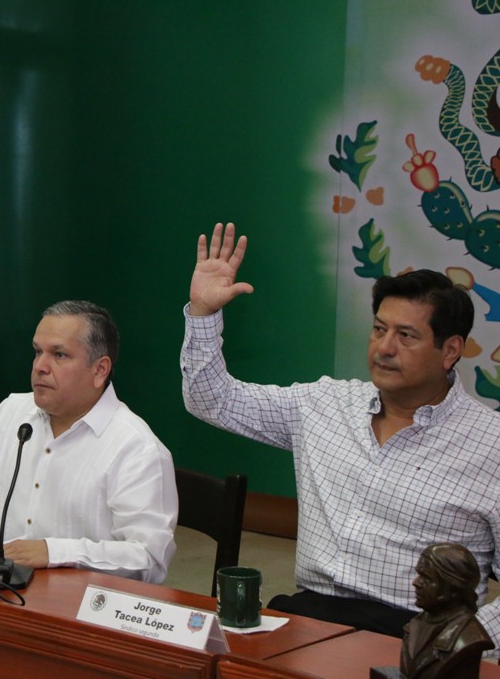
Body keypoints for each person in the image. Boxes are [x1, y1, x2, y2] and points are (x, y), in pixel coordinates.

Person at [182, 222, 500, 642]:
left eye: (406, 336)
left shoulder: (490, 445)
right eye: (379, 328)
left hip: (417, 635)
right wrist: (203, 313)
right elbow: (213, 400)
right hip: (308, 618)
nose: (384, 347)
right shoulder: (325, 404)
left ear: (451, 350)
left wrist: (468, 639)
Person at [0, 300, 177, 582]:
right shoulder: (14, 413)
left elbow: (149, 559)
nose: (40, 367)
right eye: (37, 352)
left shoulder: (136, 449)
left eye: (59, 355)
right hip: (3, 595)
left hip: (85, 610)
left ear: (99, 370)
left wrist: (53, 551)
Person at [399, 543, 494, 679]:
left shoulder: (468, 639)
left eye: (426, 578)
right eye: (418, 574)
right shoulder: (414, 625)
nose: (416, 582)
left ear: (452, 588)